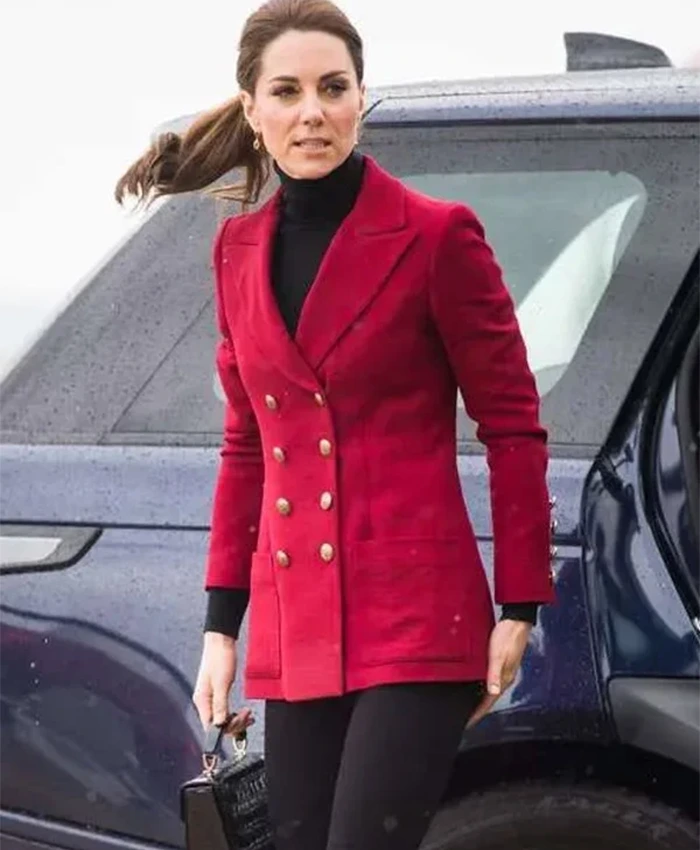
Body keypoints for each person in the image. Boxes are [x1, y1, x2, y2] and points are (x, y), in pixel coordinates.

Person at [115, 1, 556, 847]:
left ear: (360, 99)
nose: (312, 111)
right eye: (287, 91)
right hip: (299, 622)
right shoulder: (236, 251)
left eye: (333, 87)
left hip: (420, 617)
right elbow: (248, 446)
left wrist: (521, 602)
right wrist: (220, 629)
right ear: (253, 109)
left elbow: (512, 426)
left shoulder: (437, 236)